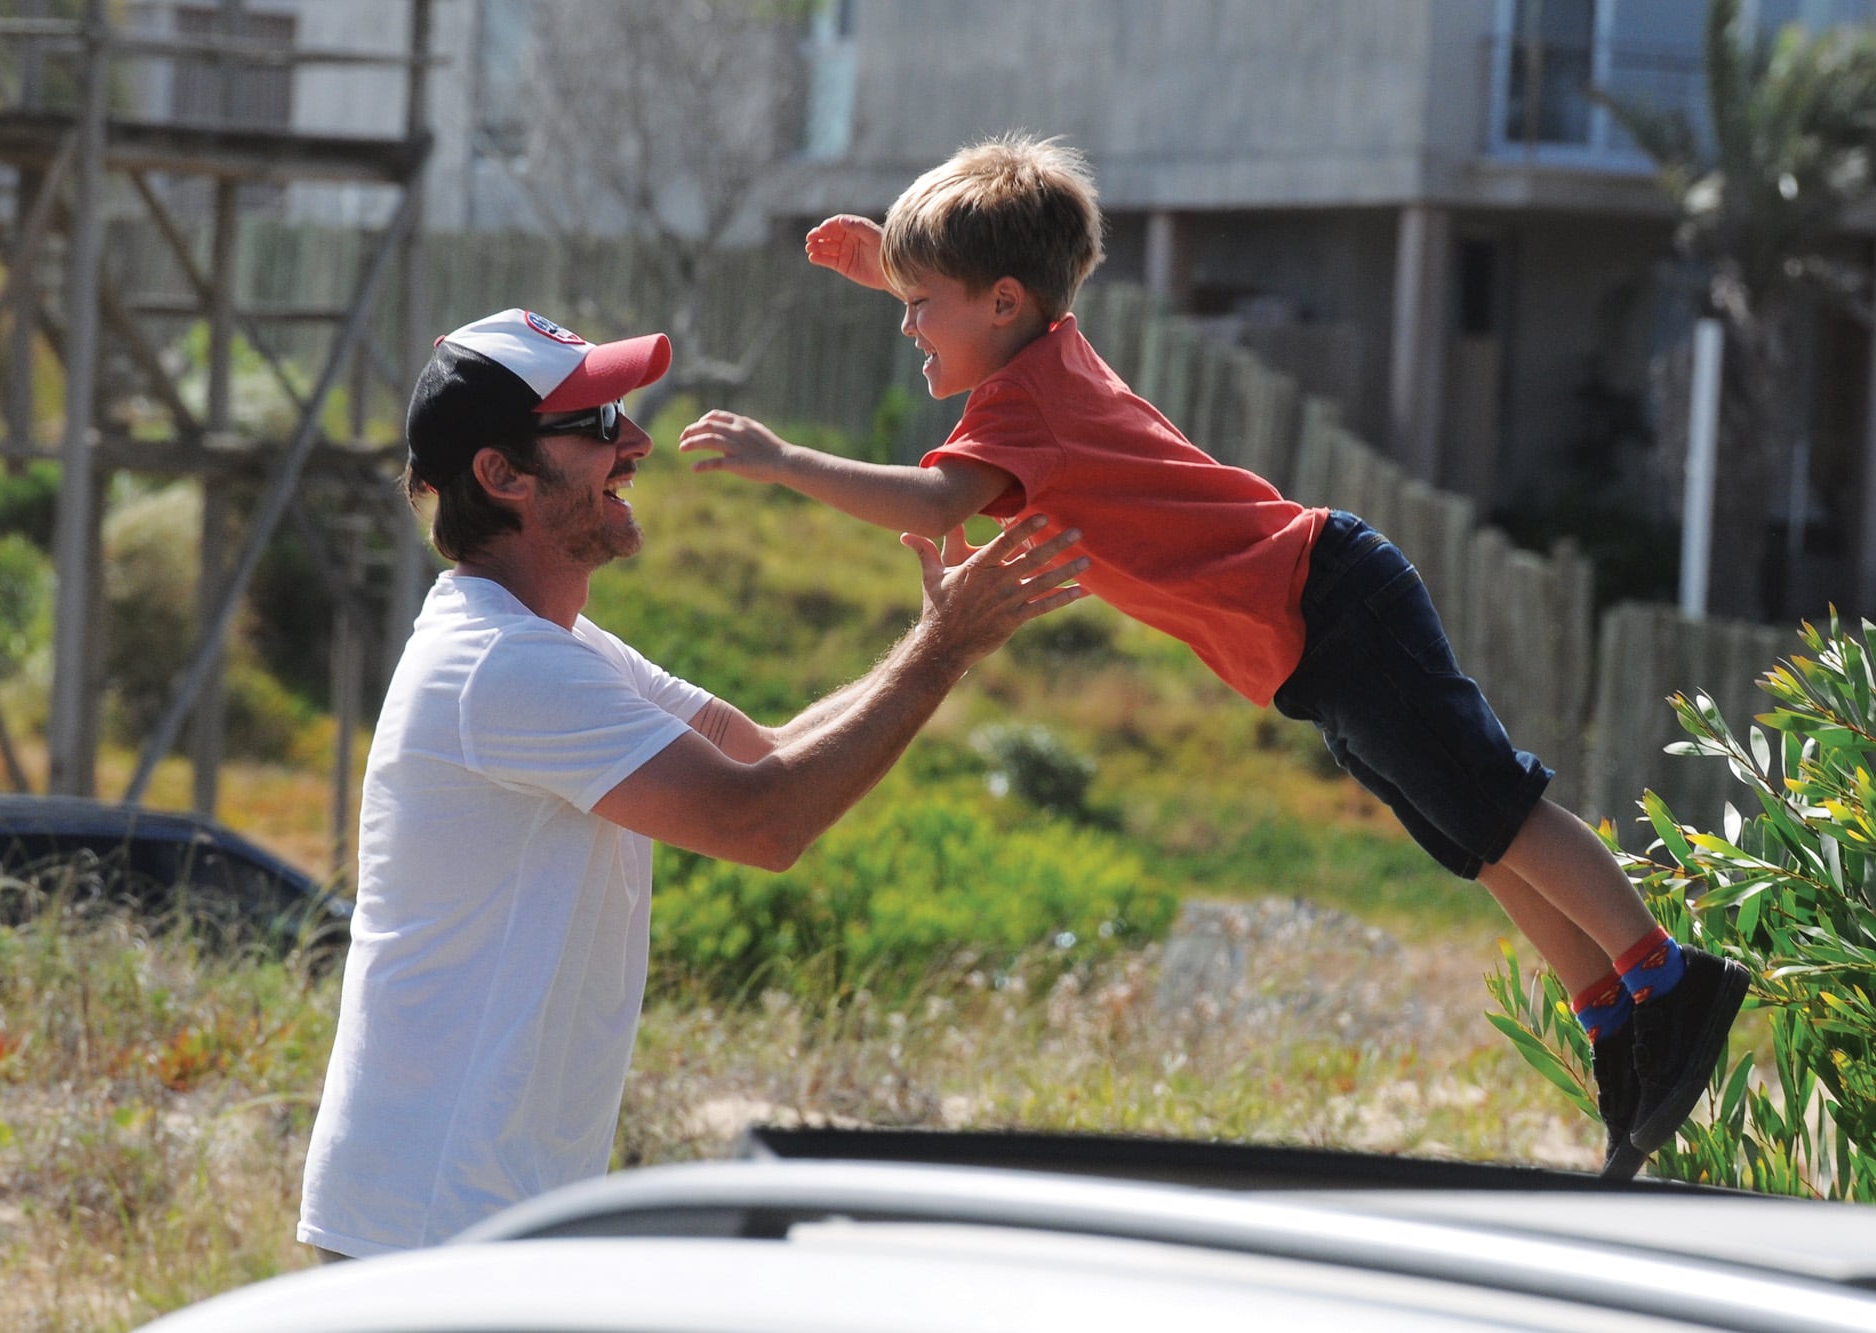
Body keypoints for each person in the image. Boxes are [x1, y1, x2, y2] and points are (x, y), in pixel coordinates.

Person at [676, 135, 1750, 1180]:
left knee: (1493, 804)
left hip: (1326, 601)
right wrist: (894, 269)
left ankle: (1667, 978)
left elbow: (931, 499)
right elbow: (982, 309)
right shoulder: (1042, 346)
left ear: (1000, 301)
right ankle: (1608, 1014)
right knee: (1464, 834)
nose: (907, 327)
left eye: (918, 305)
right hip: (1308, 635)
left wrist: (784, 461)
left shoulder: (1020, 408)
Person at [296, 307, 1087, 1258]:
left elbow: (761, 751)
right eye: (595, 425)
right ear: (501, 476)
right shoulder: (504, 666)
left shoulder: (557, 648)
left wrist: (937, 642)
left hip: (470, 1208)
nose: (633, 442)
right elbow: (767, 821)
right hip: (431, 1223)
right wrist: (946, 648)